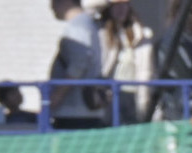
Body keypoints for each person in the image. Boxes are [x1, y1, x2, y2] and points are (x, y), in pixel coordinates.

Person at [48, 0, 107, 130]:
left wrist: (57, 96)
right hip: (82, 111)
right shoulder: (86, 24)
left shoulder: (78, 26)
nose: (51, 6)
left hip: (75, 112)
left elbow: (78, 65)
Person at [99, 1, 155, 123]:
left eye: (124, 4)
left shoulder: (140, 35)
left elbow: (145, 72)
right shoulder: (103, 34)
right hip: (110, 95)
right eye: (116, 5)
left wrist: (144, 102)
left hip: (131, 95)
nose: (121, 9)